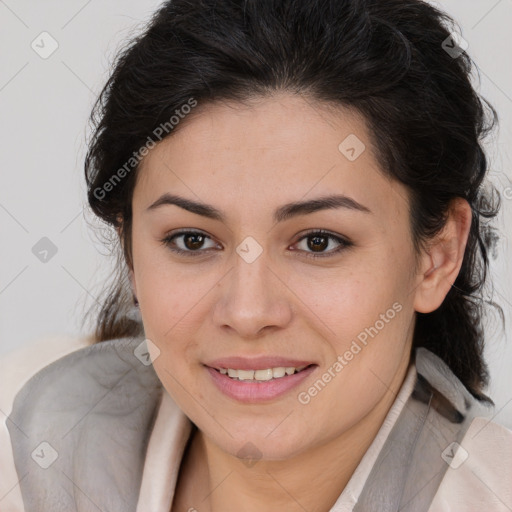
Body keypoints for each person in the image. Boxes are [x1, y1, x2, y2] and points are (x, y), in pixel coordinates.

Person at [1, 0, 511, 510]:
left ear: (437, 257)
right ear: (130, 250)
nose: (247, 313)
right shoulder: (22, 436)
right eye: (192, 240)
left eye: (318, 241)